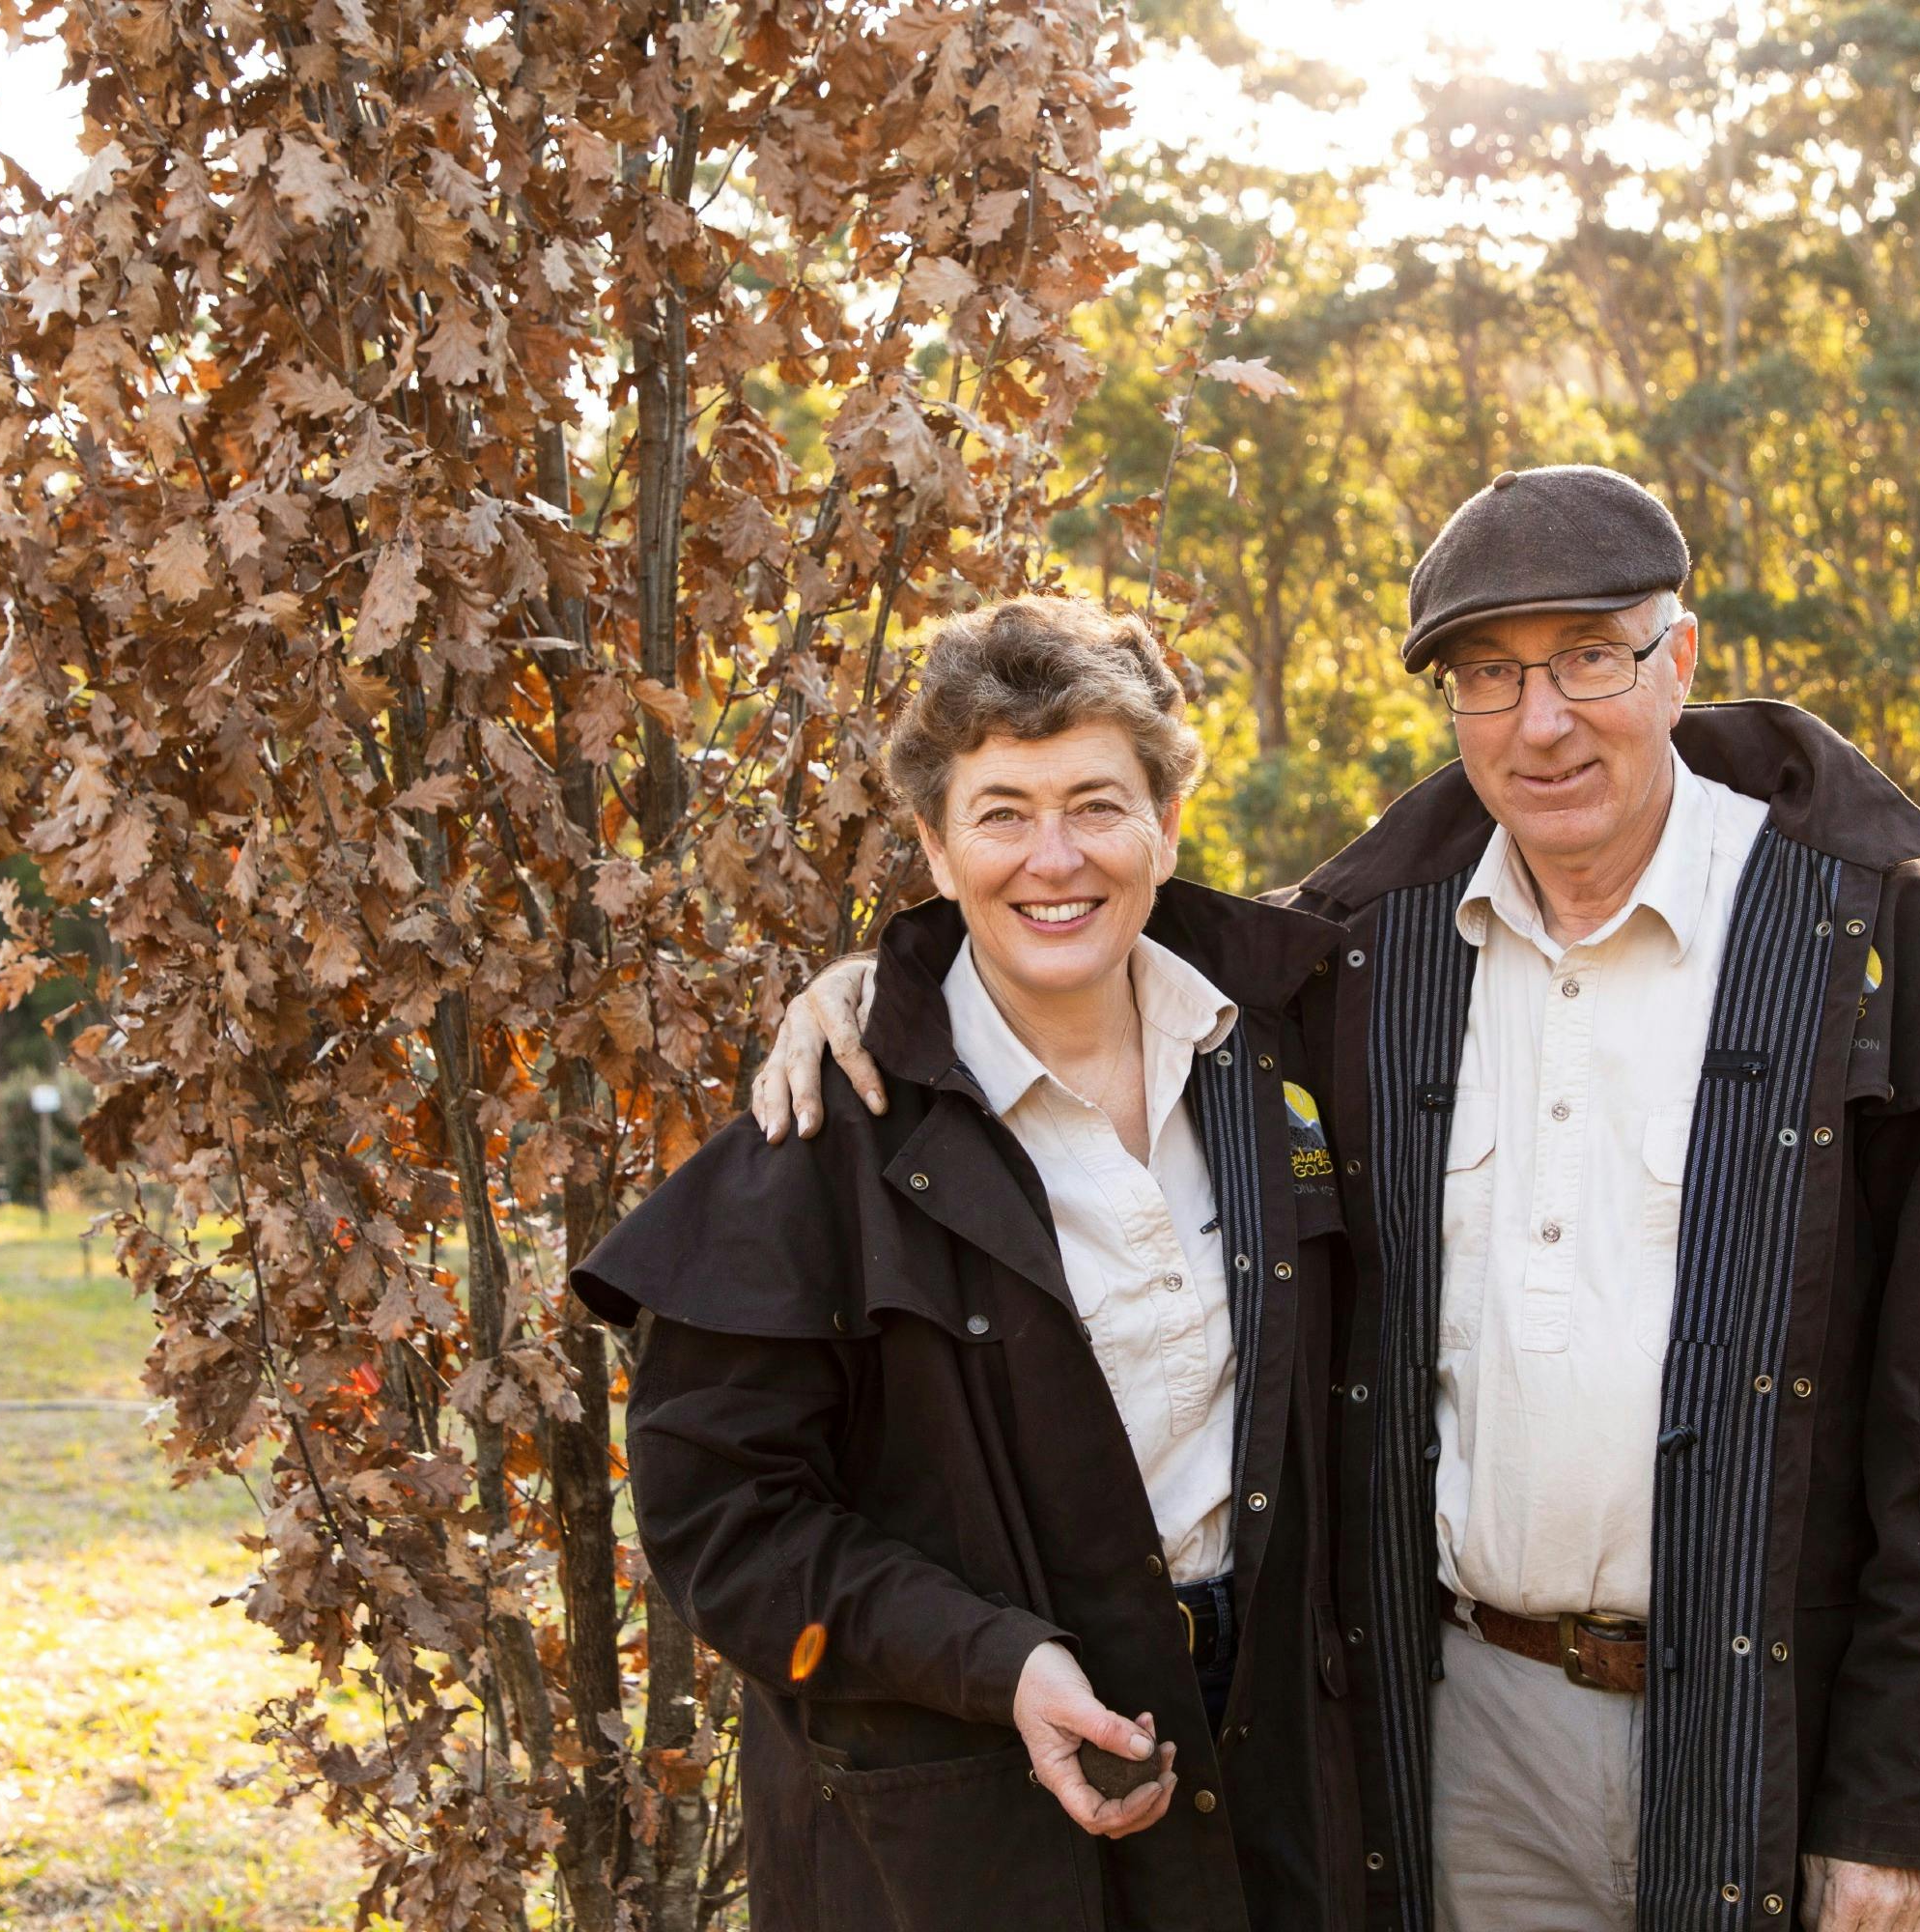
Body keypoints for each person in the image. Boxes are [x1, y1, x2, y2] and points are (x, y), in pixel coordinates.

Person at [752, 468, 1920, 1932]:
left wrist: (1903, 1808)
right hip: (1464, 1740)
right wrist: (881, 992)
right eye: (1489, 676)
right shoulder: (1365, 958)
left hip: (1771, 1731)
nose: (1541, 721)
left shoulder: (1868, 947)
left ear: (1678, 659)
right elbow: (1072, 928)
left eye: (1589, 659)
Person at [574, 597, 1365, 1932]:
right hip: (958, 1799)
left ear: (1168, 825)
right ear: (935, 850)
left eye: (1097, 804)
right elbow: (725, 1519)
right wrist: (997, 1664)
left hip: (1274, 1739)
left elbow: (1516, 801)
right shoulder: (829, 1128)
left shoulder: (1272, 1047)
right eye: (1002, 813)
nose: (1054, 857)